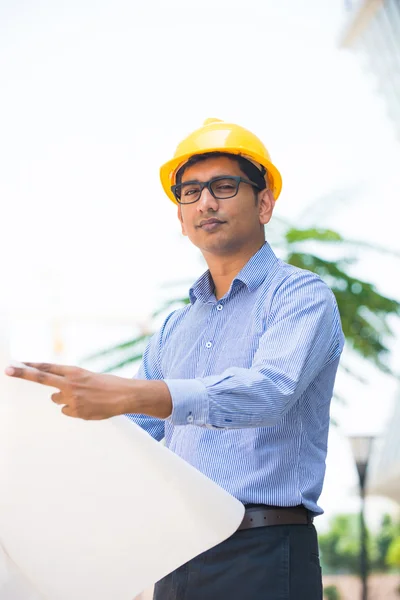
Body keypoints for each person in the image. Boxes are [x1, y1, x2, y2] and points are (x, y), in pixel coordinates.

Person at [6, 118, 344, 599]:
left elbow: (269, 391)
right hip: (176, 551)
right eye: (190, 193)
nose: (206, 202)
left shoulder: (300, 295)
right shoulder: (173, 329)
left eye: (224, 186)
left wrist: (132, 394)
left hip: (264, 550)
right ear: (181, 218)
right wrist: (42, 424)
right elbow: (136, 440)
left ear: (264, 202)